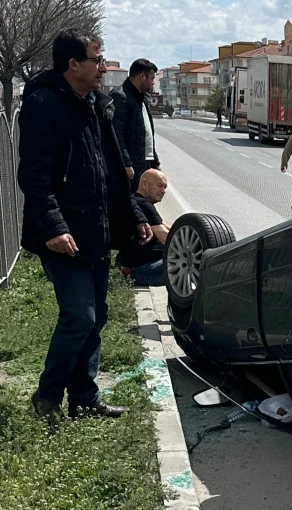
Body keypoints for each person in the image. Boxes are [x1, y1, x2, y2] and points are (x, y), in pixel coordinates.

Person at [17, 28, 153, 424]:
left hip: (95, 230)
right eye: (97, 59)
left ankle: (83, 397)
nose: (103, 67)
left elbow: (112, 171)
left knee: (98, 316)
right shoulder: (43, 105)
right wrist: (54, 227)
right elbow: (35, 176)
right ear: (73, 63)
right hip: (64, 235)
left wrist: (137, 215)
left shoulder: (96, 105)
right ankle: (46, 398)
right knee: (80, 316)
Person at [110, 58, 161, 193]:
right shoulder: (120, 97)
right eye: (151, 78)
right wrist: (126, 163)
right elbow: (117, 134)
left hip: (145, 163)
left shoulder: (142, 98)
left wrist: (155, 162)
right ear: (142, 77)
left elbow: (146, 135)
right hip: (132, 167)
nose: (153, 82)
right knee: (132, 205)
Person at [118, 169, 170, 286]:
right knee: (193, 267)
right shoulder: (142, 203)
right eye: (159, 186)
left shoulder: (139, 202)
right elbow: (166, 237)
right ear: (144, 184)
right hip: (140, 270)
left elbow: (169, 228)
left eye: (165, 187)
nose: (163, 191)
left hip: (136, 268)